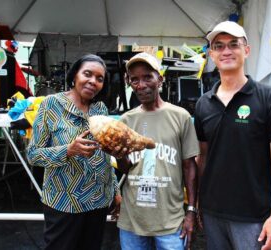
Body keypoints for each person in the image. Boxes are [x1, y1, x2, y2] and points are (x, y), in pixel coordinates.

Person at [194, 21, 271, 250]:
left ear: (246, 50)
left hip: (254, 217)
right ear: (211, 54)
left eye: (233, 44)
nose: (226, 51)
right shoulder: (203, 104)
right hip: (213, 214)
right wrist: (199, 203)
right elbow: (203, 158)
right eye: (218, 46)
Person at [27, 54, 119, 250]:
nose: (93, 81)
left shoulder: (100, 109)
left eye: (99, 78)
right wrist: (68, 150)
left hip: (98, 200)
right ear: (74, 75)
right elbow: (33, 154)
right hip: (64, 202)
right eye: (87, 74)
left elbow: (106, 156)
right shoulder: (51, 104)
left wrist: (115, 191)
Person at [112, 52, 199, 250]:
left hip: (170, 221)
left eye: (147, 77)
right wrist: (119, 154)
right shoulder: (126, 120)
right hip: (133, 220)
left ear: (160, 79)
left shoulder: (180, 117)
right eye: (134, 79)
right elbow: (126, 169)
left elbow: (189, 166)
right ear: (129, 83)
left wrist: (191, 211)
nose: (141, 85)